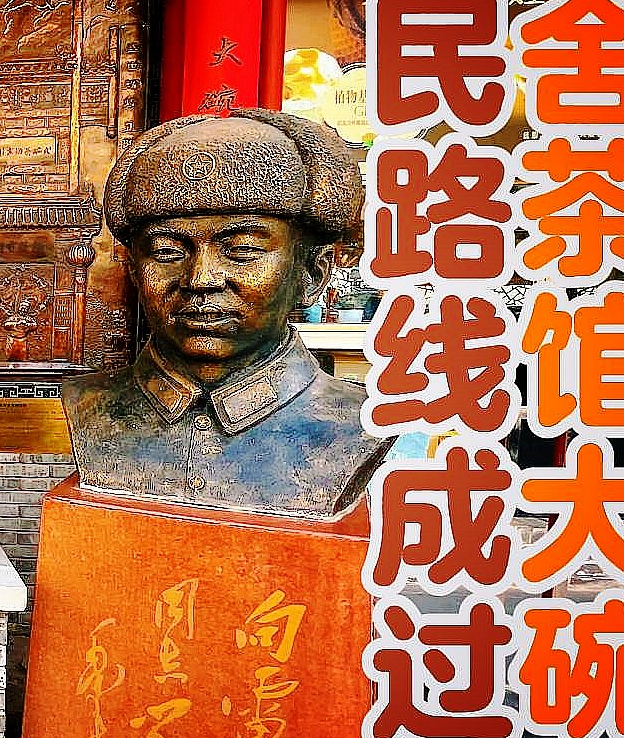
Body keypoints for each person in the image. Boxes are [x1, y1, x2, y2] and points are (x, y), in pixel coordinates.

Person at [61, 108, 394, 518]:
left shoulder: (363, 423)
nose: (200, 279)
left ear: (312, 273)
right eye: (167, 251)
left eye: (242, 250)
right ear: (133, 271)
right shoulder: (87, 404)